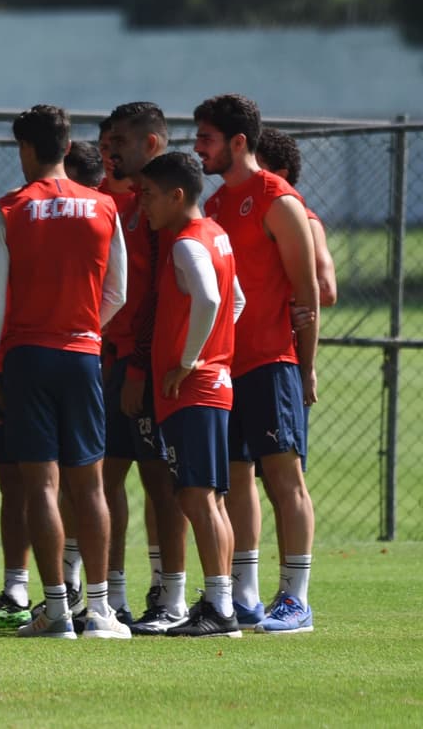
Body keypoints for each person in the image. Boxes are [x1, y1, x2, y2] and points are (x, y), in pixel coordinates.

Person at [0, 104, 128, 639]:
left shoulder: (7, 209)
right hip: (83, 353)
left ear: (25, 149)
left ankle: (58, 610)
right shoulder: (103, 206)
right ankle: (103, 612)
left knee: (40, 484)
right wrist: (85, 327)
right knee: (90, 484)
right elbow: (118, 293)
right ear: (68, 148)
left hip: (25, 357)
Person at [197, 93, 320, 634]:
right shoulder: (218, 205)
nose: (198, 148)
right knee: (236, 478)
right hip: (227, 366)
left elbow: (308, 293)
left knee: (284, 477)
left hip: (272, 363)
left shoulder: (278, 199)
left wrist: (304, 366)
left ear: (238, 142)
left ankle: (296, 597)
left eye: (207, 138)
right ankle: (244, 592)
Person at [139, 151, 246, 637]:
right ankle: (220, 603)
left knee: (198, 498)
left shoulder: (185, 243)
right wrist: (216, 349)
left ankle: (220, 609)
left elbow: (212, 299)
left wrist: (188, 360)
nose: (144, 206)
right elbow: (236, 301)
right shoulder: (217, 235)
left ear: (177, 195)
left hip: (194, 389)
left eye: (150, 195)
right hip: (213, 385)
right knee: (210, 499)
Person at [103, 102, 189, 635]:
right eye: (109, 143)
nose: (111, 151)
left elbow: (156, 295)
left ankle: (171, 594)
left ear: (151, 145)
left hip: (149, 368)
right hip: (114, 362)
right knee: (105, 477)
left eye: (122, 143)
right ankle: (112, 595)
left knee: (162, 483)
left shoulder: (161, 209)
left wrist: (138, 365)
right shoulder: (129, 202)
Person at [255, 127, 338, 307]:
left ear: (280, 176)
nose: (248, 177)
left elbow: (326, 292)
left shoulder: (307, 222)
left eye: (256, 169)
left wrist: (287, 299)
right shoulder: (233, 212)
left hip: (280, 332)